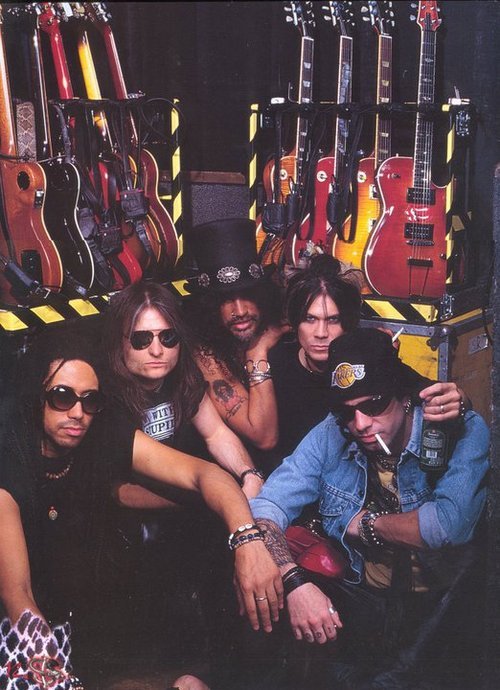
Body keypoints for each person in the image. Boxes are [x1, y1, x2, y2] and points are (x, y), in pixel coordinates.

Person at [0, 322, 282, 688]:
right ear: (37, 397)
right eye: (62, 397)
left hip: (72, 615)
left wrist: (248, 541)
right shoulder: (10, 456)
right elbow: (17, 595)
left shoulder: (100, 430)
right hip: (20, 621)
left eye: (90, 400)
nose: (77, 413)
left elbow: (204, 474)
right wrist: (52, 671)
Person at [250, 328, 489, 689]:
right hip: (368, 603)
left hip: (442, 608)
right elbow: (266, 506)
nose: (360, 424)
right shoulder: (332, 433)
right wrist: (293, 580)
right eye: (347, 411)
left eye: (374, 405)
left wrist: (367, 525)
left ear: (403, 396)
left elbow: (445, 527)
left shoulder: (461, 428)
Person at [183, 217, 286, 457]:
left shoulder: (284, 326)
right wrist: (257, 352)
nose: (239, 311)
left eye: (247, 295)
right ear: (210, 306)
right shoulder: (206, 355)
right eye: (226, 300)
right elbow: (264, 436)